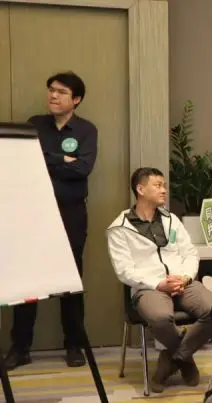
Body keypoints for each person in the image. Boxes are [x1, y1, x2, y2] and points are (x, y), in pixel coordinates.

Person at [4, 72, 98, 370]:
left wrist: (47, 158)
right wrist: (61, 159)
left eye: (61, 92)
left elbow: (82, 169)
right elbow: (23, 162)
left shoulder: (86, 130)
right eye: (51, 90)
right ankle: (20, 347)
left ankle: (74, 344)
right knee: (27, 280)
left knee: (70, 279)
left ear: (76, 99)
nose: (53, 96)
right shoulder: (34, 125)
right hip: (32, 211)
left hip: (71, 213)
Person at [106, 168, 212, 393]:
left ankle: (174, 358)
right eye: (157, 185)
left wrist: (185, 277)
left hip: (182, 282)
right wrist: (157, 284)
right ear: (140, 189)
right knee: (160, 318)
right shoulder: (119, 228)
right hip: (148, 288)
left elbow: (190, 253)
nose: (164, 190)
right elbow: (124, 270)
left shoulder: (171, 220)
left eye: (164, 185)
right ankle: (185, 360)